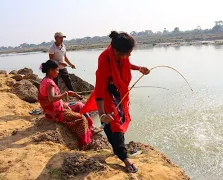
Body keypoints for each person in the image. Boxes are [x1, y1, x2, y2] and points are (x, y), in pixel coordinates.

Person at [94, 31, 150, 173]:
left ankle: (117, 150)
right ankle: (124, 158)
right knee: (115, 122)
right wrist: (101, 114)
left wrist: (139, 68)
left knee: (115, 119)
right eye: (128, 53)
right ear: (116, 51)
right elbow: (99, 88)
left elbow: (126, 63)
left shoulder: (120, 55)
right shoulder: (104, 59)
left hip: (118, 89)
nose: (129, 55)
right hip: (106, 90)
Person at [38, 60, 95, 150]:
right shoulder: (49, 83)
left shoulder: (45, 80)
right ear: (50, 70)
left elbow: (53, 98)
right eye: (56, 70)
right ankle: (85, 143)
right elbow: (52, 98)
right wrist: (65, 94)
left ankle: (90, 128)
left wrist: (69, 97)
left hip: (57, 107)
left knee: (80, 105)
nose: (58, 72)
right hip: (55, 112)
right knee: (81, 119)